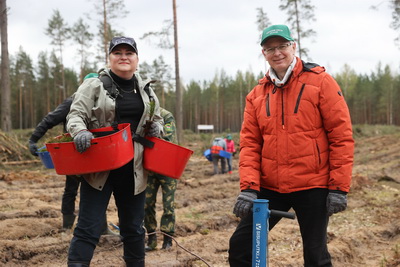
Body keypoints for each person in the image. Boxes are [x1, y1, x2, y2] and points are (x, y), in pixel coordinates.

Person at [228, 25, 354, 266]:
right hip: (271, 186)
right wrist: (249, 187)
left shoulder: (321, 82)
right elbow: (250, 144)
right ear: (263, 53)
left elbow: (341, 136)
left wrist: (338, 187)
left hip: (313, 183)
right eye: (270, 48)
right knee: (241, 246)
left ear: (293, 47)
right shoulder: (256, 94)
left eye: (282, 46)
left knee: (316, 255)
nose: (277, 53)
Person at [66, 36, 163, 267]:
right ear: (109, 58)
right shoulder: (94, 85)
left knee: (133, 229)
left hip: (134, 170)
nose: (123, 57)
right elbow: (75, 114)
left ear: (137, 59)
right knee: (87, 228)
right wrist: (79, 132)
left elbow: (156, 117)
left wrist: (157, 126)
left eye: (129, 53)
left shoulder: (146, 89)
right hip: (100, 167)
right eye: (117, 53)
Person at [28, 96, 114, 234]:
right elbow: (50, 120)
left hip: (96, 153)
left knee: (99, 187)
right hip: (74, 153)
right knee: (71, 189)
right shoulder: (74, 101)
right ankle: (67, 227)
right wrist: (33, 139)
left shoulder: (103, 100)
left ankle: (102, 228)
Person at [144, 107, 177, 251]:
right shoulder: (143, 115)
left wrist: (158, 130)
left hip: (168, 166)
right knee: (146, 204)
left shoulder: (166, 115)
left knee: (168, 205)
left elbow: (169, 136)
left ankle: (167, 239)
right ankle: (151, 239)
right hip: (150, 167)